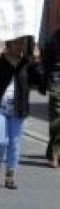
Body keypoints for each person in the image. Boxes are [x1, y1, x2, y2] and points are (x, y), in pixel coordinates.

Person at [0, 36, 44, 188]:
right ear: (9, 43)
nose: (20, 45)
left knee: (14, 143)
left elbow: (40, 81)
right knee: (1, 140)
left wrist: (36, 61)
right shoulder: (0, 60)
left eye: (22, 42)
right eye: (17, 42)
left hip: (18, 109)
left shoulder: (27, 63)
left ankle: (10, 174)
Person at [45, 28, 60, 167]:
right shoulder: (54, 40)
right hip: (57, 81)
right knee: (57, 118)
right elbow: (47, 64)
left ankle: (53, 150)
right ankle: (55, 154)